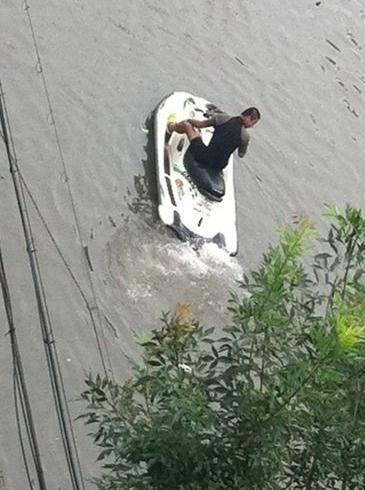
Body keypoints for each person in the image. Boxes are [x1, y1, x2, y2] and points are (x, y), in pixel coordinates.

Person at [167, 107, 260, 171]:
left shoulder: (222, 118)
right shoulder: (245, 137)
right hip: (219, 166)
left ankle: (171, 127)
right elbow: (241, 154)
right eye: (253, 123)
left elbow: (199, 125)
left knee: (187, 126)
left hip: (204, 156)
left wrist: (190, 121)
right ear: (248, 118)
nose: (251, 126)